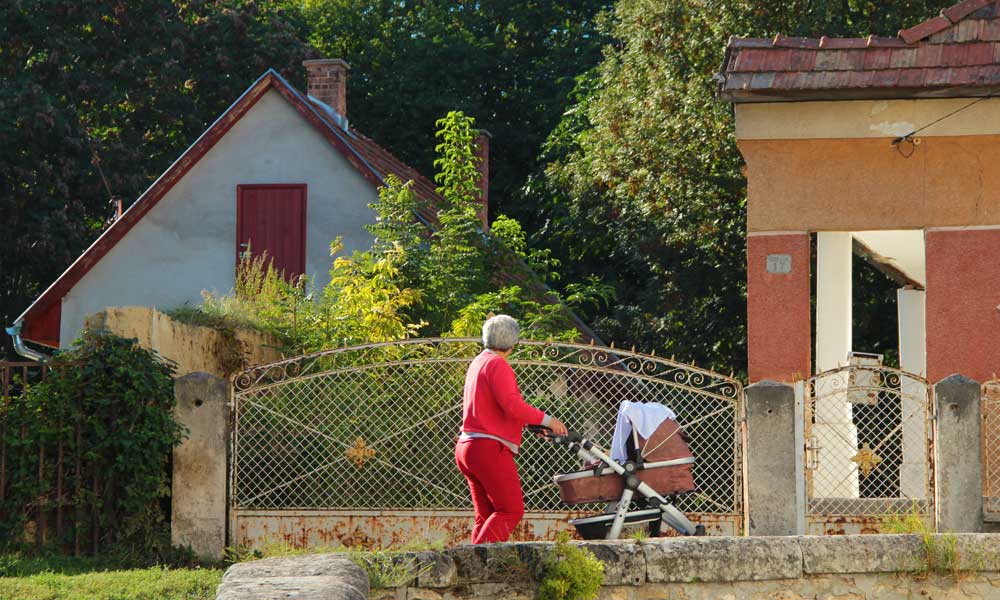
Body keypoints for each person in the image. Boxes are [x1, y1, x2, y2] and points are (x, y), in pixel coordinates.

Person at [454, 315, 568, 544]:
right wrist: (548, 420)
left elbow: (494, 407)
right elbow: (512, 405)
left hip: (467, 445)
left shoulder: (478, 362)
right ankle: (477, 565)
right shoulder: (498, 364)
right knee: (510, 510)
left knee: (486, 515)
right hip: (488, 448)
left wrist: (528, 423)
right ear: (513, 342)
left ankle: (470, 565)